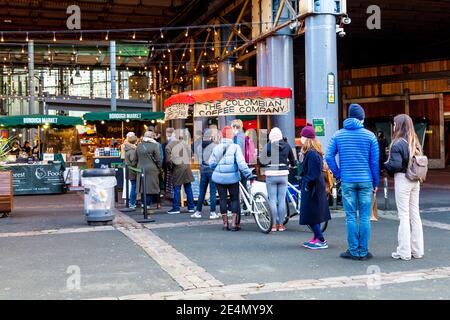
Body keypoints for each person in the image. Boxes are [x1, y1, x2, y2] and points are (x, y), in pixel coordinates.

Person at [325, 104, 380, 261]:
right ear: (362, 118)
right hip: (366, 181)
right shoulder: (370, 136)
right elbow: (374, 162)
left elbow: (329, 157)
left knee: (350, 216)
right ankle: (363, 251)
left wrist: (339, 174)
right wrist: (375, 182)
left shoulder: (338, 135)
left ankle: (353, 250)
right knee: (364, 216)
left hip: (348, 180)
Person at [384, 114, 424, 261]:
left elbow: (394, 165)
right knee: (415, 215)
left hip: (403, 179)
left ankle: (404, 252)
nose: (393, 126)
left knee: (404, 216)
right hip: (415, 180)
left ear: (399, 125)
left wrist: (384, 165)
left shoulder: (397, 142)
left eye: (394, 124)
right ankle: (417, 250)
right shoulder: (415, 141)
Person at [209, 126, 253, 231]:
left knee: (223, 199)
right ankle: (233, 223)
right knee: (234, 199)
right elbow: (241, 163)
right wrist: (247, 173)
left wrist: (219, 169)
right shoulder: (235, 147)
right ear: (231, 135)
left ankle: (225, 224)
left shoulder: (216, 147)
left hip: (219, 178)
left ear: (222, 135)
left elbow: (211, 163)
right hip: (233, 178)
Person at [298, 125, 331, 249]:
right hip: (315, 187)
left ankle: (321, 240)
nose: (300, 138)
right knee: (313, 214)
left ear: (306, 138)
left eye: (302, 136)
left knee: (310, 214)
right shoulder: (314, 152)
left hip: (312, 188)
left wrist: (306, 186)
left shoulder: (311, 154)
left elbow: (312, 174)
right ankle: (316, 237)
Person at [259, 127, 296, 232]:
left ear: (271, 136)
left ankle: (273, 225)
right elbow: (293, 161)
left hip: (271, 174)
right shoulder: (287, 145)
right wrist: (290, 165)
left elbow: (262, 161)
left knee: (272, 200)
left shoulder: (268, 146)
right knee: (281, 200)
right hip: (283, 174)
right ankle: (281, 225)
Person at [191, 128, 219, 220]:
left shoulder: (199, 145)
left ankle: (198, 212)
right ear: (211, 136)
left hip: (203, 169)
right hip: (212, 170)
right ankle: (212, 213)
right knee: (212, 192)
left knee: (202, 191)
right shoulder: (215, 145)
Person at [165, 129, 195, 214]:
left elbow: (168, 161)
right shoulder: (185, 144)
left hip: (177, 168)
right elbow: (191, 155)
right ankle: (191, 207)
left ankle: (176, 208)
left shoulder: (169, 146)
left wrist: (171, 168)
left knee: (177, 188)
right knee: (188, 188)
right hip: (186, 167)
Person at [136, 131, 162, 211]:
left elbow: (135, 159)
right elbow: (158, 159)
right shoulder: (155, 146)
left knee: (143, 188)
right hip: (152, 169)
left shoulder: (139, 146)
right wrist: (160, 167)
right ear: (152, 137)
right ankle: (147, 206)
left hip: (140, 168)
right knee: (150, 188)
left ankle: (143, 204)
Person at [124, 135, 138, 209]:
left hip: (130, 170)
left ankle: (131, 202)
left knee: (133, 186)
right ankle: (132, 203)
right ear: (135, 142)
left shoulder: (128, 149)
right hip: (133, 171)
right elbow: (133, 162)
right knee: (134, 187)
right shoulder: (132, 151)